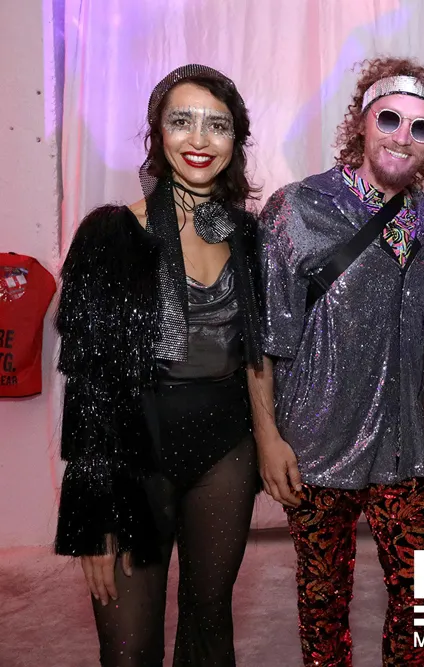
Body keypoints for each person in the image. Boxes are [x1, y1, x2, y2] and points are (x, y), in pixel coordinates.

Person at [250, 57, 424, 667]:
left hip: (403, 445)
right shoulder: (298, 208)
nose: (402, 137)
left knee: (422, 595)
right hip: (316, 444)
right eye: (389, 119)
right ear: (362, 123)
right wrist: (268, 438)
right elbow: (263, 339)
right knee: (323, 602)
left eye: (421, 128)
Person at [55, 64, 264, 666]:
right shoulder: (109, 234)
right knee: (128, 649)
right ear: (157, 132)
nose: (199, 139)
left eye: (217, 125)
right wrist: (92, 513)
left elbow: (259, 354)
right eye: (182, 121)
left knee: (209, 629)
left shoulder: (248, 235)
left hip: (225, 453)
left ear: (236, 140)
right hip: (133, 457)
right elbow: (88, 386)